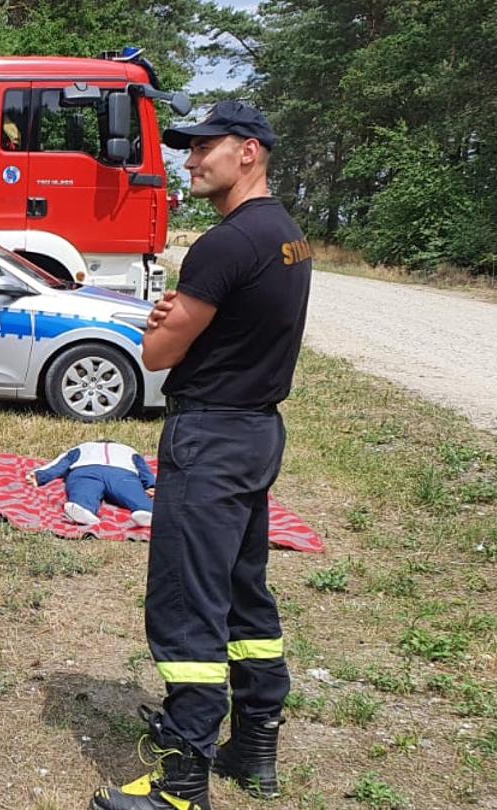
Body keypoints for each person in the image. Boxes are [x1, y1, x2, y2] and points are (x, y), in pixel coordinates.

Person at [90, 100, 310, 810]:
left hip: (209, 436)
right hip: (256, 434)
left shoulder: (223, 245)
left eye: (202, 148)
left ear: (248, 151)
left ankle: (182, 782)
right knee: (245, 593)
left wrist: (162, 324)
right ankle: (253, 747)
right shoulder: (289, 237)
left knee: (187, 603)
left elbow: (158, 354)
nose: (189, 161)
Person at [26, 439, 156, 527]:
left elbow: (61, 463)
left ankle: (82, 507)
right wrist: (152, 485)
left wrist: (40, 475)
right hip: (122, 474)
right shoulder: (129, 450)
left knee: (84, 489)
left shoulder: (82, 447)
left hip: (86, 470)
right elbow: (144, 469)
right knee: (132, 493)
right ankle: (147, 511)